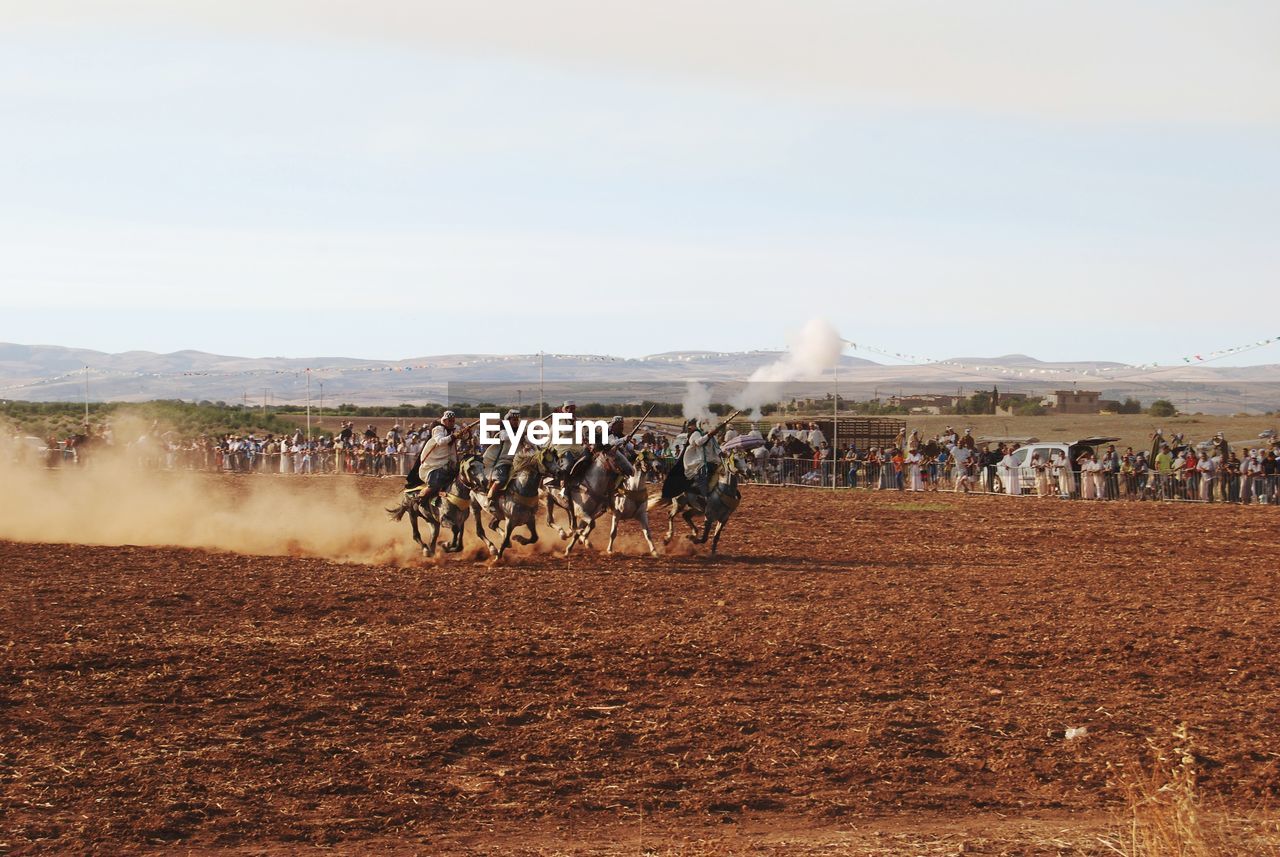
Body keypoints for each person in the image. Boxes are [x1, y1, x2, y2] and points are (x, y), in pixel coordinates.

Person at [413, 410, 462, 500]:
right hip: (434, 464)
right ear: (445, 420)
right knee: (435, 484)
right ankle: (418, 499)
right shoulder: (438, 429)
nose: (452, 423)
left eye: (453, 421)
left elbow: (464, 436)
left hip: (450, 463)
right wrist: (453, 436)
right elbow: (440, 441)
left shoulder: (455, 428)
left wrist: (465, 433)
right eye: (450, 421)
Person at [683, 417, 722, 501]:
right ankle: (704, 498)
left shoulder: (712, 436)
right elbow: (698, 442)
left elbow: (717, 448)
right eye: (704, 423)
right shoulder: (696, 434)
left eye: (707, 423)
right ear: (699, 425)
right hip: (701, 462)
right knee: (704, 478)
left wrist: (723, 454)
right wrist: (709, 435)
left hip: (713, 462)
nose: (706, 425)